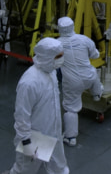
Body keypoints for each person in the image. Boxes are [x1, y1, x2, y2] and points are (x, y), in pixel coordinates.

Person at [4, 37, 68, 174]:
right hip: (36, 138)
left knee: (59, 169)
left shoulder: (51, 72)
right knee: (24, 171)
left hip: (53, 134)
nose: (61, 60)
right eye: (58, 57)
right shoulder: (30, 82)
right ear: (47, 57)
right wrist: (26, 142)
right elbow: (22, 115)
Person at [56, 16, 102, 147]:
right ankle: (97, 94)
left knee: (71, 109)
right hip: (89, 78)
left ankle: (71, 138)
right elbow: (95, 55)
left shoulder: (57, 44)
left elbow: (52, 63)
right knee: (93, 72)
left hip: (72, 83)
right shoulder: (84, 39)